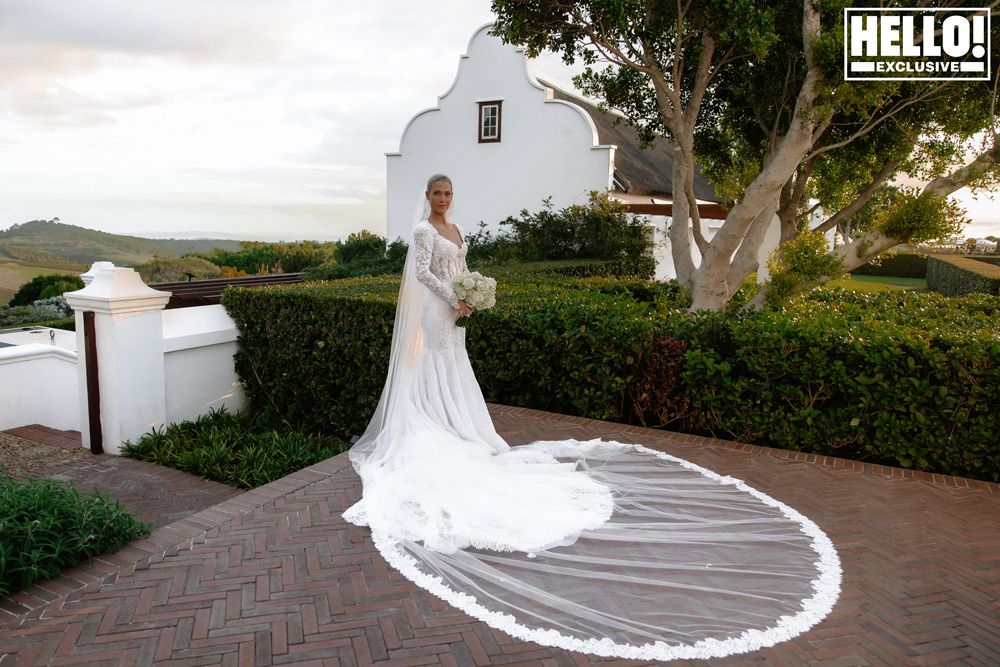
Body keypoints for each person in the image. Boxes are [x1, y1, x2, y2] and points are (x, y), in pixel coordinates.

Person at [343, 174, 841, 661]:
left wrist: (472, 291)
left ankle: (456, 425)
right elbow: (423, 274)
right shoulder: (424, 232)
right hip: (438, 309)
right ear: (426, 197)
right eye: (437, 193)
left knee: (455, 366)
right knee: (435, 365)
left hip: (458, 312)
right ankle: (433, 422)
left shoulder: (456, 229)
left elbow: (462, 265)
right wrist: (455, 295)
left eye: (448, 193)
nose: (443, 199)